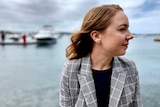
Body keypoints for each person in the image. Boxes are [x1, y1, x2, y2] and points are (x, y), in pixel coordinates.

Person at [59, 4, 143, 107]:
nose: (130, 35)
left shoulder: (130, 67)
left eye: (128, 29)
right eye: (122, 29)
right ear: (96, 36)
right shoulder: (71, 69)